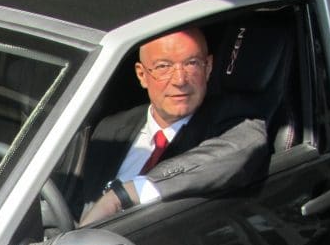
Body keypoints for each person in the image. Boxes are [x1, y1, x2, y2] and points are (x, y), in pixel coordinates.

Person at [77, 26, 269, 225]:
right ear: (142, 75)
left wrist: (123, 195)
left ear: (208, 67)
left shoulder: (233, 122)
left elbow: (246, 144)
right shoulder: (111, 129)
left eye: (191, 63)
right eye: (163, 66)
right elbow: (76, 204)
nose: (180, 80)